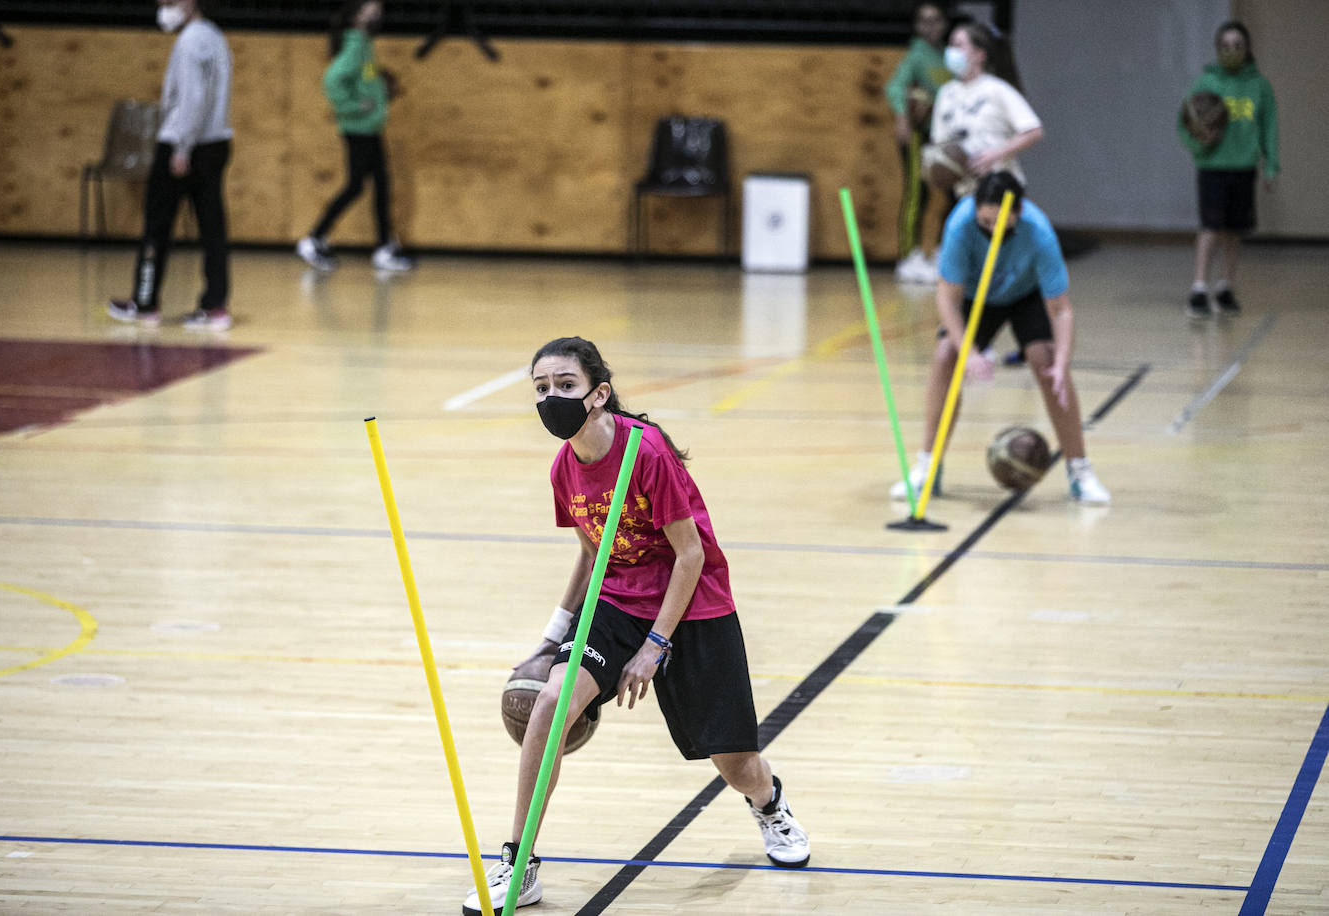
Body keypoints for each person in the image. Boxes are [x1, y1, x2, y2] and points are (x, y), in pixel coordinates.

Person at [464, 336, 811, 914]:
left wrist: (655, 645)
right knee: (551, 703)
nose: (552, 398)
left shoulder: (644, 453)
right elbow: (588, 551)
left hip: (693, 604)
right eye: (542, 389)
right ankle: (519, 862)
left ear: (598, 394)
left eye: (565, 386)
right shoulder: (564, 467)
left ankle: (769, 803)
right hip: (617, 602)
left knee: (736, 765)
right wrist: (552, 638)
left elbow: (691, 555)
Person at [890, 172, 1110, 506]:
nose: (992, 231)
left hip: (1025, 294)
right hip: (975, 297)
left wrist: (1064, 359)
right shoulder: (960, 226)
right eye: (985, 222)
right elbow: (947, 299)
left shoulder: (1038, 232)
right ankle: (927, 468)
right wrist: (970, 353)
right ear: (975, 210)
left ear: (1018, 212)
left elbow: (1061, 309)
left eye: (1001, 224)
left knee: (1048, 364)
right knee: (946, 356)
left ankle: (1080, 471)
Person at [108, 0, 234, 331]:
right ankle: (215, 305)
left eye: (170, 2)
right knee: (212, 228)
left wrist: (181, 147)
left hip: (184, 143)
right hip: (216, 142)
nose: (164, 9)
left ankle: (145, 302)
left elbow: (193, 98)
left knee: (157, 225)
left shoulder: (191, 40)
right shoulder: (215, 36)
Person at [295, 0, 413, 273]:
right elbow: (333, 79)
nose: (378, 16)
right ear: (357, 16)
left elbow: (364, 78)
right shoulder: (356, 44)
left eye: (379, 12)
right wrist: (355, 105)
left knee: (380, 186)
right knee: (356, 186)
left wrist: (379, 90)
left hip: (369, 128)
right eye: (372, 12)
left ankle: (384, 247)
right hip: (358, 129)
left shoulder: (364, 44)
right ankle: (314, 239)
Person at [1178, 20, 1278, 318]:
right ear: (1217, 49)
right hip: (1212, 166)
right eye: (1225, 46)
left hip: (1244, 166)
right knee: (1210, 228)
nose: (1231, 51)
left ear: (1247, 49)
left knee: (1234, 231)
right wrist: (1200, 145)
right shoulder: (1206, 84)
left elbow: (1269, 126)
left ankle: (1225, 288)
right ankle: (1199, 289)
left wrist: (1271, 164)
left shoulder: (1259, 86)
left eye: (1238, 46)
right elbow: (1184, 123)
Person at [929, 19, 1043, 203]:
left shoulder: (997, 89)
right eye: (950, 45)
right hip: (963, 192)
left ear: (980, 54)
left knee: (997, 230)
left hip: (1001, 187)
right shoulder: (946, 93)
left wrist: (995, 154)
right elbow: (939, 141)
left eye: (958, 45)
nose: (951, 51)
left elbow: (1033, 130)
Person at [885, 2, 952, 285]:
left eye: (935, 20)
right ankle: (908, 257)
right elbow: (895, 86)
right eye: (924, 21)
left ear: (944, 24)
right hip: (918, 136)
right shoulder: (916, 55)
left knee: (951, 196)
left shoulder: (948, 57)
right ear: (916, 26)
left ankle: (939, 252)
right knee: (916, 194)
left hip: (945, 137)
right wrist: (903, 116)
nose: (930, 27)